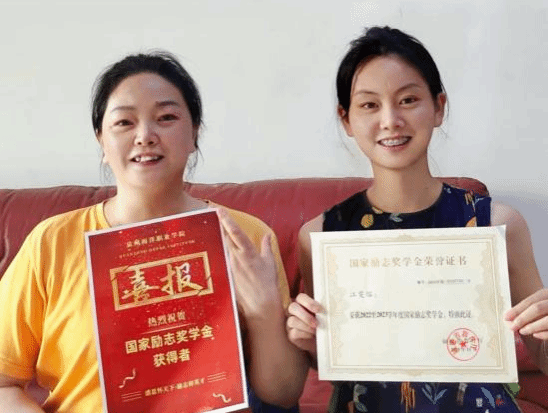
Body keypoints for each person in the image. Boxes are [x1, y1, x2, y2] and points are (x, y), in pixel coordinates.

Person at [0, 51, 307, 412]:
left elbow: (282, 394)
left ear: (194, 133)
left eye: (166, 118)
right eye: (124, 123)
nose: (145, 136)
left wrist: (264, 311)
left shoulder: (245, 236)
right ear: (101, 141)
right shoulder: (52, 243)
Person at [286, 26, 548, 412]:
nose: (390, 120)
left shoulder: (498, 224)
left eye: (408, 100)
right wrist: (309, 341)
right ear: (346, 120)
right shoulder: (323, 236)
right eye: (369, 105)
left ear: (438, 107)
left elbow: (541, 355)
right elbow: (334, 357)